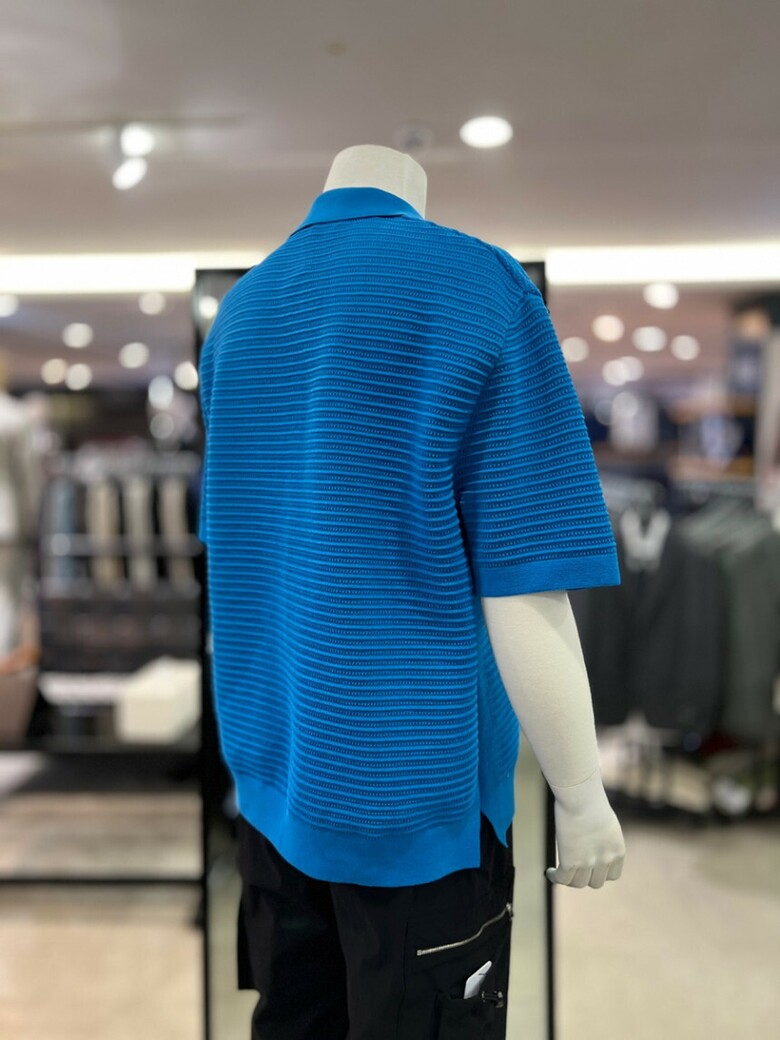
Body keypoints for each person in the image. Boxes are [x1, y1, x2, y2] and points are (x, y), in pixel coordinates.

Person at [198, 144, 626, 1039]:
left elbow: (243, 557)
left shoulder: (240, 313)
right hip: (413, 806)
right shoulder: (480, 287)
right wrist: (581, 792)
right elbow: (526, 583)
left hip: (272, 791)